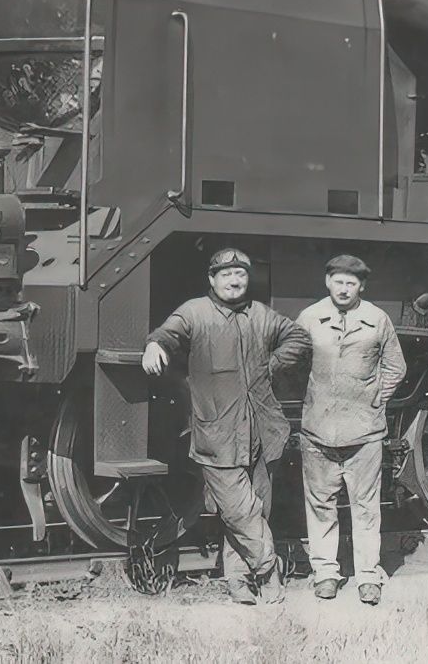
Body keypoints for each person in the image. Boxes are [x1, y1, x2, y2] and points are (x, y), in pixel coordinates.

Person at [142, 247, 308, 605]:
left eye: (241, 274)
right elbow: (169, 332)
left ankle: (237, 580)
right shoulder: (195, 312)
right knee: (239, 511)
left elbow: (298, 337)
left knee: (256, 510)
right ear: (212, 279)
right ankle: (269, 571)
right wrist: (154, 345)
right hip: (218, 434)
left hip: (263, 430)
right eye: (226, 274)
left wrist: (274, 364)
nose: (234, 280)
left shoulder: (261, 315)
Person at [278, 254, 406, 606]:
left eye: (351, 283)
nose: (344, 288)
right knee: (321, 504)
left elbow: (395, 367)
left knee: (366, 507)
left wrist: (375, 399)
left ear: (361, 286)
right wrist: (309, 398)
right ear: (328, 282)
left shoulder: (377, 319)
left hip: (364, 433)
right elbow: (290, 362)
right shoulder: (309, 318)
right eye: (338, 281)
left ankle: (368, 576)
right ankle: (325, 574)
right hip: (318, 430)